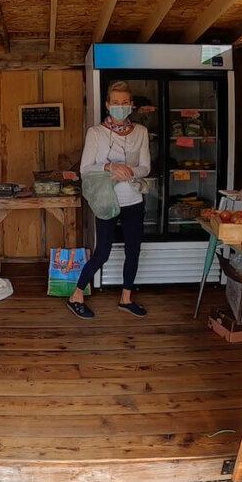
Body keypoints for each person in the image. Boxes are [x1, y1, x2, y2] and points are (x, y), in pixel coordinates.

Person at [67, 80, 150, 320]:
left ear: (131, 105)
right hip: (105, 200)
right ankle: (76, 295)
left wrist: (130, 171)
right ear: (107, 105)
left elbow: (145, 166)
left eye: (125, 103)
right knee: (102, 251)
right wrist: (109, 166)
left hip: (133, 199)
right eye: (116, 102)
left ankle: (126, 298)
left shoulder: (141, 133)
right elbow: (85, 168)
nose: (120, 107)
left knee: (133, 250)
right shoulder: (95, 133)